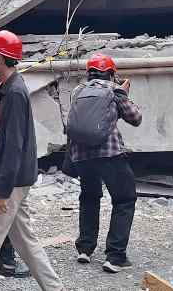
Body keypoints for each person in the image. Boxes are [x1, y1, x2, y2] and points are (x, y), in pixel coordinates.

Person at [0, 30, 64, 291]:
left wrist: (2, 192)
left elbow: (14, 146)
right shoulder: (13, 88)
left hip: (8, 181)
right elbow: (13, 140)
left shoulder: (14, 93)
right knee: (26, 243)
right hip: (19, 178)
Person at [66, 52, 142, 273]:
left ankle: (85, 249)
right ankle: (115, 256)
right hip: (109, 154)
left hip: (81, 155)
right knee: (125, 199)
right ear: (111, 73)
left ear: (89, 73)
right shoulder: (114, 90)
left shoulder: (78, 91)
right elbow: (135, 118)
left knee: (89, 197)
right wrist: (124, 93)